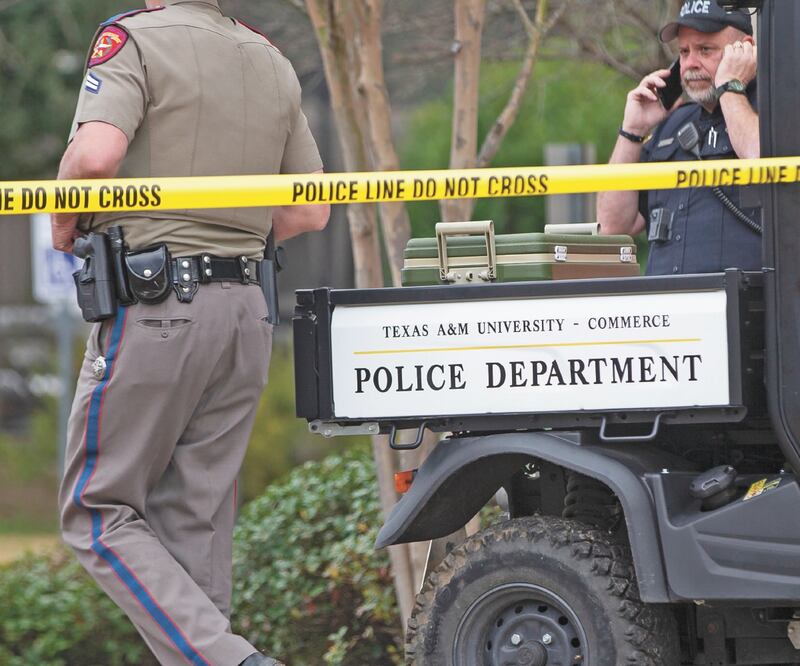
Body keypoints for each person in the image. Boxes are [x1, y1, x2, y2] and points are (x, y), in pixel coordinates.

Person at [52, 1, 330, 665]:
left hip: (158, 310)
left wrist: (62, 220)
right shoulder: (270, 58)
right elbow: (311, 208)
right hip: (244, 314)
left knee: (96, 509)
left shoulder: (134, 40)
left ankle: (235, 660)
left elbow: (95, 156)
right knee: (195, 527)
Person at [597, 1, 759, 275]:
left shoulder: (774, 110)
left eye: (705, 49)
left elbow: (759, 158)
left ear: (744, 48)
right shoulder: (670, 125)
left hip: (741, 308)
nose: (690, 64)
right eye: (684, 52)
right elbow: (612, 228)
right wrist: (632, 132)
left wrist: (731, 87)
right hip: (668, 308)